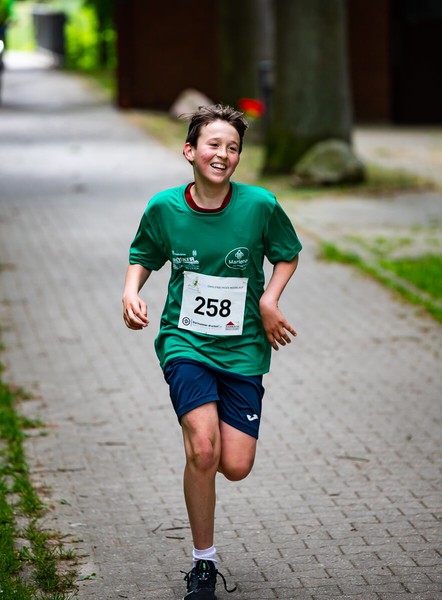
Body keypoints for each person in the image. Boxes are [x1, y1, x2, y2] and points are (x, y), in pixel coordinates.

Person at [122, 104, 302, 599]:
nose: (223, 154)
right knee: (203, 448)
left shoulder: (259, 205)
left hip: (243, 348)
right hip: (185, 342)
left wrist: (269, 300)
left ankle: (207, 448)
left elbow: (287, 253)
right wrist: (131, 291)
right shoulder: (164, 208)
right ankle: (204, 563)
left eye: (233, 147)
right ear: (190, 151)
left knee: (235, 464)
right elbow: (143, 254)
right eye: (213, 144)